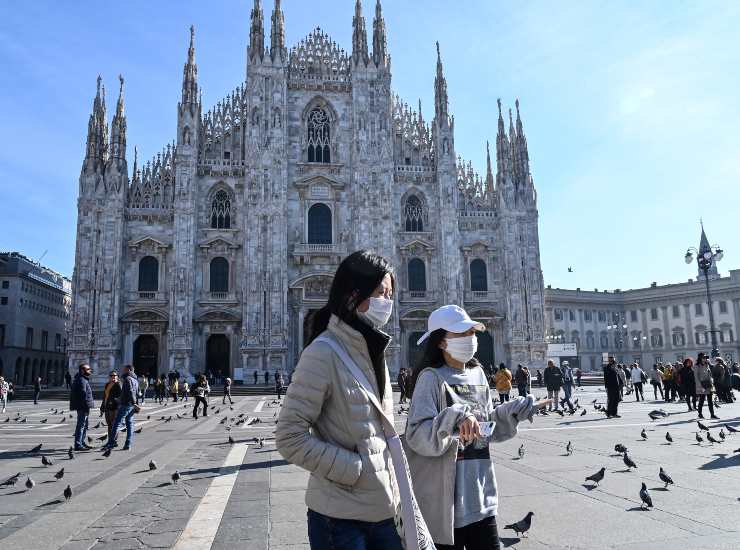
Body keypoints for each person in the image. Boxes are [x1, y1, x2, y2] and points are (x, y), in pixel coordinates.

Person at [275, 250, 403, 550]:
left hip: (384, 511)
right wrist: (353, 469)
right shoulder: (323, 352)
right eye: (381, 293)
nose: (387, 302)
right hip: (340, 520)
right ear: (353, 294)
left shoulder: (374, 351)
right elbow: (289, 437)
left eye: (391, 294)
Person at [405, 305, 537, 549]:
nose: (470, 339)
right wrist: (454, 418)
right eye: (461, 334)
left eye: (471, 333)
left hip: (480, 496)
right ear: (441, 342)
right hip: (445, 503)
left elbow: (484, 430)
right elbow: (417, 435)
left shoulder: (478, 375)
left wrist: (511, 412)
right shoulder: (431, 378)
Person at [104, 364, 139, 451]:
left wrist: (133, 403)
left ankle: (111, 443)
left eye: (125, 370)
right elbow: (137, 393)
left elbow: (130, 392)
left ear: (129, 370)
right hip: (131, 405)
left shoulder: (127, 379)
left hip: (126, 404)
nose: (123, 371)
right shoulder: (136, 380)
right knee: (129, 425)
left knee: (116, 424)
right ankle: (128, 444)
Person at [70, 363, 94, 451]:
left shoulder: (82, 379)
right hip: (83, 407)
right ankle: (78, 444)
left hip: (82, 406)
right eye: (88, 369)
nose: (90, 371)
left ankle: (81, 442)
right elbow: (83, 394)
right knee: (81, 425)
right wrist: (85, 407)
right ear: (82, 370)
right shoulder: (81, 380)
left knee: (83, 425)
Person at [100, 371, 122, 445]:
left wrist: (115, 401)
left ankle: (114, 440)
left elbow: (121, 396)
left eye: (115, 375)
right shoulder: (107, 385)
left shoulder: (118, 384)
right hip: (107, 406)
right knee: (109, 424)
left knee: (114, 424)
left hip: (115, 407)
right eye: (112, 375)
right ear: (109, 377)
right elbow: (105, 396)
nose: (114, 376)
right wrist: (102, 407)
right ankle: (110, 440)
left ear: (117, 377)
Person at [695, 353, 718, 419]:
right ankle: (700, 414)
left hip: (708, 384)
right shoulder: (697, 366)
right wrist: (700, 387)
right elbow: (696, 377)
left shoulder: (707, 365)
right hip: (702, 385)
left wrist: (711, 383)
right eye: (704, 358)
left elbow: (710, 374)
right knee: (701, 400)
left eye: (705, 358)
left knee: (710, 401)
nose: (705, 359)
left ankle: (712, 414)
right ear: (700, 358)